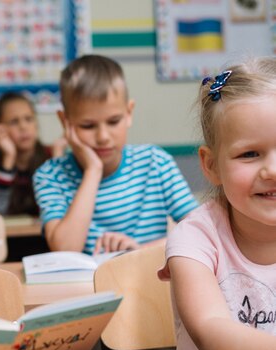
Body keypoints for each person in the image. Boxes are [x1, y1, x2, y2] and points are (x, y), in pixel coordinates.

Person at [158, 58, 276, 350]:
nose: (272, 170)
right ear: (211, 166)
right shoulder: (195, 237)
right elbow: (214, 333)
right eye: (249, 154)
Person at [33, 55, 198, 255]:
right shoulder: (50, 176)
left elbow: (198, 231)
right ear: (64, 121)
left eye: (113, 122)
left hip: (145, 281)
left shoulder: (155, 162)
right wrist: (93, 171)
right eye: (88, 125)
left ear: (129, 113)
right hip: (86, 286)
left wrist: (137, 252)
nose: (103, 137)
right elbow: (66, 249)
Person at [0, 91, 63, 216]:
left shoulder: (53, 155)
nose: (23, 127)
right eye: (14, 121)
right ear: (0, 129)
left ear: (36, 124)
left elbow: (63, 209)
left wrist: (58, 158)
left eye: (29, 119)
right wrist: (8, 158)